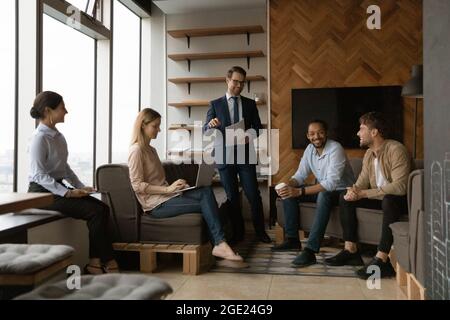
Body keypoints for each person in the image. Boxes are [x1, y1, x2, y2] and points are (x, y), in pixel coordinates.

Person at [128, 108, 245, 265]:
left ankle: (220, 244)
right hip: (155, 205)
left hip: (166, 198)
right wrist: (168, 189)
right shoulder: (136, 151)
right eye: (155, 126)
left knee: (205, 191)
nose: (159, 130)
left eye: (159, 126)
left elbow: (157, 181)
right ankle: (220, 244)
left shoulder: (151, 150)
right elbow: (137, 185)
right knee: (206, 200)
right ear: (143, 125)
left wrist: (178, 187)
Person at [28, 91, 119, 274]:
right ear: (48, 110)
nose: (66, 111)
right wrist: (68, 193)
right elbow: (38, 175)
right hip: (42, 193)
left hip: (58, 188)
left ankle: (94, 262)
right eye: (62, 108)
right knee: (94, 211)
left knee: (103, 208)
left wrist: (79, 187)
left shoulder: (58, 137)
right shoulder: (39, 138)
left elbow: (65, 168)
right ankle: (107, 261)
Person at [325, 112, 411, 279]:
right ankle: (351, 250)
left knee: (389, 200)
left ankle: (382, 259)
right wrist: (353, 191)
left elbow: (400, 187)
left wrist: (363, 193)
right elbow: (362, 181)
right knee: (345, 197)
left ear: (374, 132)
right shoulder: (368, 154)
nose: (358, 133)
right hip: (379, 198)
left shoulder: (396, 149)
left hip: (398, 200)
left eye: (361, 128)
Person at [272, 120, 355, 267]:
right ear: (308, 136)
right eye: (312, 134)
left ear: (326, 133)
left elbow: (331, 184)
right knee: (289, 194)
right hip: (324, 189)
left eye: (320, 132)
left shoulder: (336, 148)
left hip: (342, 192)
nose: (316, 136)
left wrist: (299, 191)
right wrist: (287, 186)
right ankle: (292, 240)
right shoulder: (310, 149)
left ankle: (310, 251)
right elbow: (300, 176)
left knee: (322, 194)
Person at [203, 66, 271, 244]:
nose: (238, 86)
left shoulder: (249, 104)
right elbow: (205, 131)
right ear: (227, 80)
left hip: (245, 155)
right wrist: (210, 125)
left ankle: (260, 233)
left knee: (253, 195)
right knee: (232, 197)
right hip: (225, 158)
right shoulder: (215, 104)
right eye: (235, 81)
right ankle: (238, 234)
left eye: (242, 83)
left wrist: (250, 135)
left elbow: (258, 128)